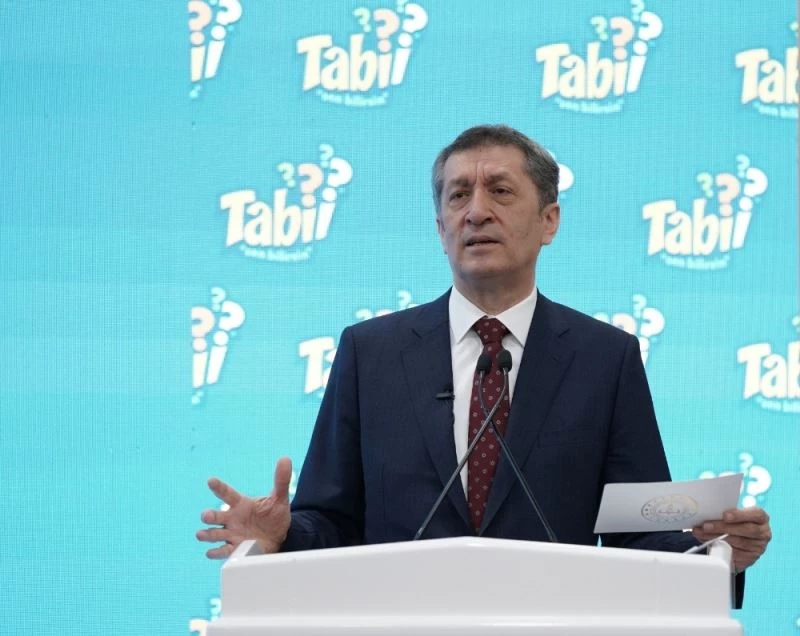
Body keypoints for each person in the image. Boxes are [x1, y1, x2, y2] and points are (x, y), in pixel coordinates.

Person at [197, 125, 771, 598]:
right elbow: (333, 523)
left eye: (500, 191)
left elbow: (635, 536)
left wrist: (715, 552)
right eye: (457, 196)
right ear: (440, 228)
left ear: (549, 221)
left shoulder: (605, 358)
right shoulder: (370, 353)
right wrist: (283, 534)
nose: (476, 212)